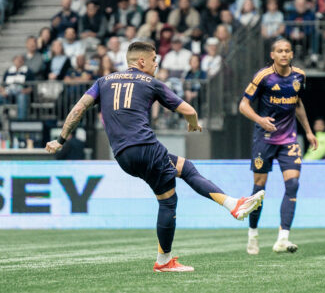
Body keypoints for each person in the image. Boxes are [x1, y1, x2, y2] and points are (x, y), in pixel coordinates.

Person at [45, 42, 264, 272]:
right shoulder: (151, 83)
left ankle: (168, 258)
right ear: (141, 62)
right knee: (178, 184)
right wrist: (193, 125)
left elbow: (78, 110)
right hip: (145, 147)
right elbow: (190, 110)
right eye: (154, 60)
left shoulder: (103, 81)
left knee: (176, 183)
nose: (156, 64)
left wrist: (59, 140)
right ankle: (230, 207)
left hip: (121, 155)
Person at [238, 38, 318, 255]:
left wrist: (308, 131)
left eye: (287, 51)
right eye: (279, 51)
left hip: (289, 140)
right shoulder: (263, 76)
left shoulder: (299, 75)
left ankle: (283, 238)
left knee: (292, 185)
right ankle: (253, 233)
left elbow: (297, 103)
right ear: (272, 55)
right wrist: (260, 119)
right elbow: (243, 105)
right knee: (259, 190)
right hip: (264, 139)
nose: (284, 54)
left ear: (291, 54)